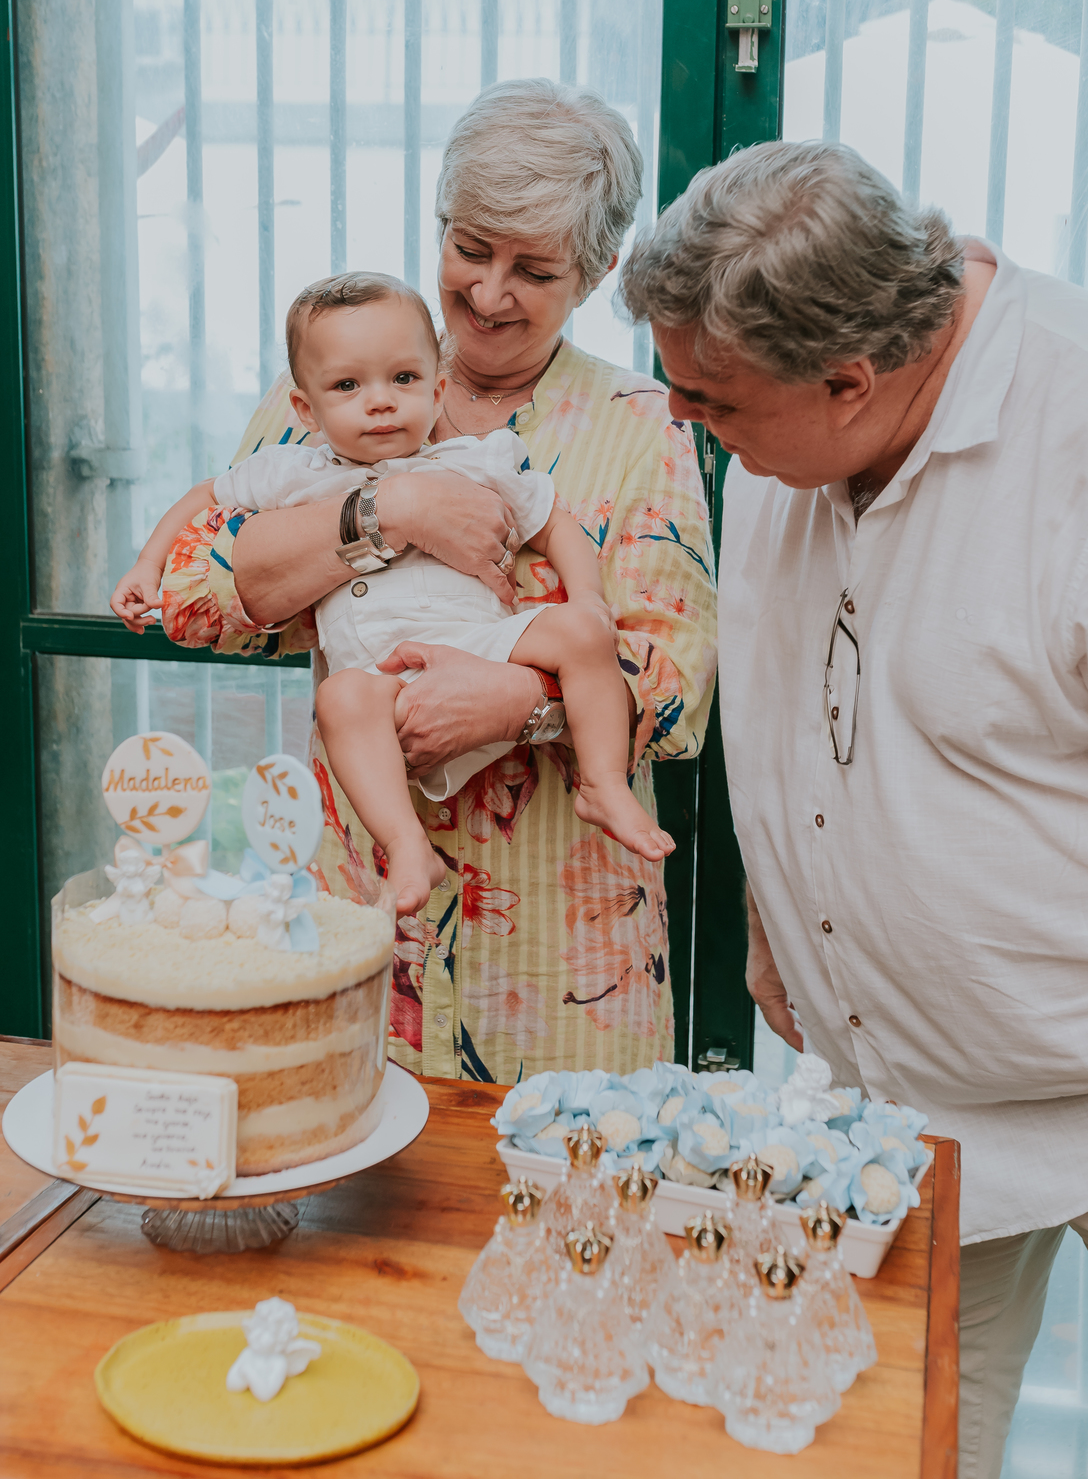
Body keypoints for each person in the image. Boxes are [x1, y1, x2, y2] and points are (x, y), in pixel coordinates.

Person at [620, 139, 1088, 1479]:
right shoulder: (797, 439)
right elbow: (775, 701)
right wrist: (780, 932)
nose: (682, 424)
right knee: (906, 1446)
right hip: (905, 1098)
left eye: (708, 401)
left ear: (850, 378)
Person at [158, 78, 717, 1085]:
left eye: (534, 268)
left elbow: (675, 687)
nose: (490, 293)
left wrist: (521, 697)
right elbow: (200, 601)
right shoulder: (332, 389)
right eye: (471, 249)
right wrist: (385, 515)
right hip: (365, 917)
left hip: (566, 955)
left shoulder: (643, 424)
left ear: (596, 272)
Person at [111, 273, 673, 904]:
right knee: (341, 699)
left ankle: (602, 783)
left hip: (490, 646)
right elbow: (202, 501)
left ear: (435, 391)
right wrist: (145, 566)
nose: (379, 401)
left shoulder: (475, 458)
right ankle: (408, 848)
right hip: (384, 682)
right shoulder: (297, 473)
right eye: (348, 386)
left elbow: (552, 523)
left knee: (582, 632)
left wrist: (589, 598)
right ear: (305, 409)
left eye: (403, 380)